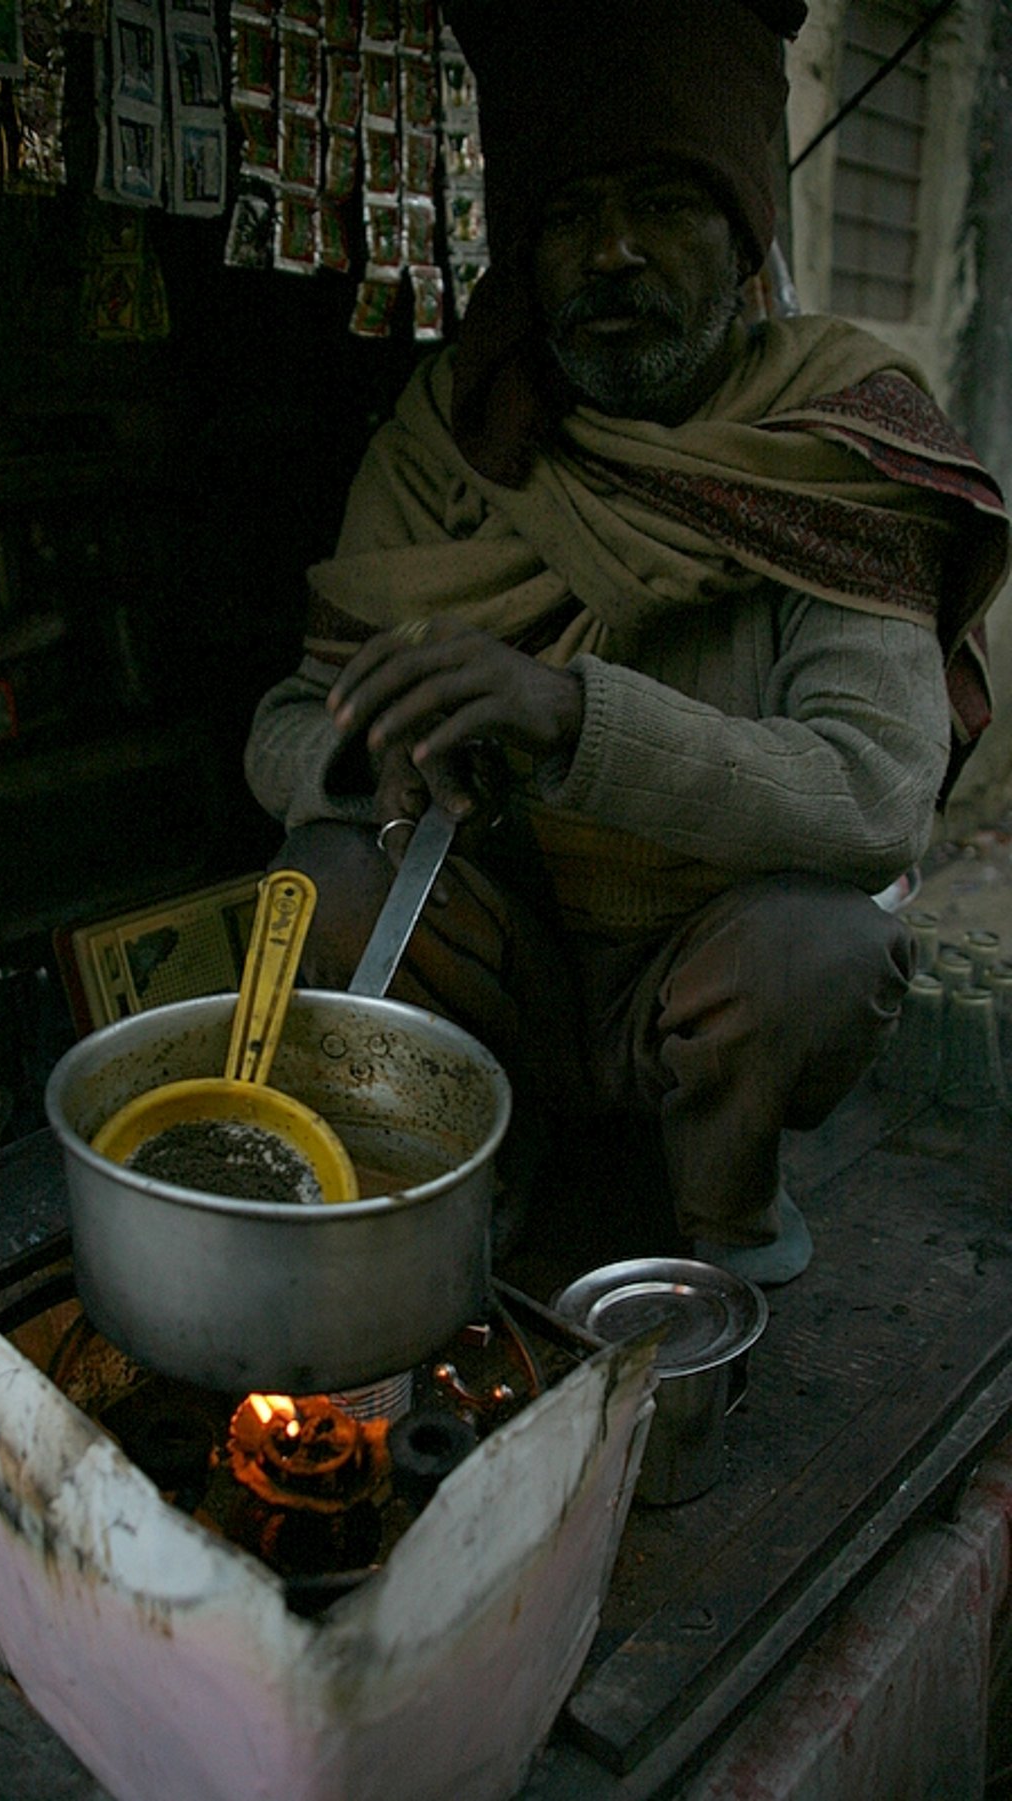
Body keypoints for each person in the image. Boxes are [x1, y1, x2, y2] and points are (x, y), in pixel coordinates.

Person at [244, 0, 1009, 1284]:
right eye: (568, 215)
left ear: (742, 239)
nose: (613, 252)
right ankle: (450, 1189)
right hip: (506, 957)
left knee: (824, 952)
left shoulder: (831, 441)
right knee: (327, 876)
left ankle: (724, 1237)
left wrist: (569, 716)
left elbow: (877, 794)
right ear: (526, 256)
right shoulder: (449, 436)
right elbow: (285, 723)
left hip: (703, 970)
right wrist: (366, 761)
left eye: (665, 206)